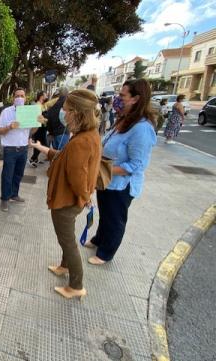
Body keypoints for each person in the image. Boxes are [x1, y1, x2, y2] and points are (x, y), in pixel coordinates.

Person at [30, 89, 101, 300]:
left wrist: (84, 197)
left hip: (67, 201)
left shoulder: (81, 141)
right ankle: (64, 266)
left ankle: (76, 286)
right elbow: (65, 158)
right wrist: (43, 149)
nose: (63, 112)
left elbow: (77, 176)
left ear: (78, 113)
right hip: (72, 199)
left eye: (67, 109)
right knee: (66, 238)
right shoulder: (88, 136)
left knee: (67, 241)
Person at [85, 79, 157, 265]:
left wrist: (103, 169)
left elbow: (137, 165)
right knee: (105, 213)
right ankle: (100, 239)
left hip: (120, 185)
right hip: (106, 180)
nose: (118, 99)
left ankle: (106, 253)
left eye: (123, 96)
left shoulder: (142, 129)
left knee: (115, 219)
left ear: (135, 99)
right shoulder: (124, 120)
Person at [0, 88, 30, 212]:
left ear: (25, 98)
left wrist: (38, 123)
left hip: (24, 148)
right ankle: (4, 199)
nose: (20, 98)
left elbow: (31, 131)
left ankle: (14, 194)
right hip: (10, 149)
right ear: (13, 98)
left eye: (22, 95)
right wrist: (10, 127)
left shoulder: (28, 112)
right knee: (7, 175)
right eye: (17, 96)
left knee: (19, 174)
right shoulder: (6, 112)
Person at [29, 91, 48, 167]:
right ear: (41, 96)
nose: (46, 96)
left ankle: (34, 159)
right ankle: (33, 158)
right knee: (44, 144)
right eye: (45, 95)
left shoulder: (43, 105)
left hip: (43, 128)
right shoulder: (37, 105)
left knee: (39, 144)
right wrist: (44, 120)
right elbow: (37, 118)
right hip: (39, 128)